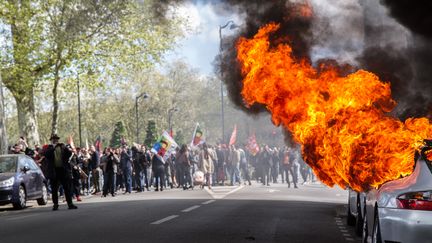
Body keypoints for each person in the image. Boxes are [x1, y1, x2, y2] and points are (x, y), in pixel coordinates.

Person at [42, 134, 78, 210]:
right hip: (54, 171)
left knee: (66, 187)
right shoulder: (49, 148)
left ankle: (70, 204)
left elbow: (69, 154)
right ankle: (55, 204)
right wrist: (53, 148)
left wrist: (70, 150)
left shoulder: (62, 146)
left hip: (63, 170)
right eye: (53, 139)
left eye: (56, 139)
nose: (55, 140)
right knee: (54, 189)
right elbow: (46, 155)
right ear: (51, 140)